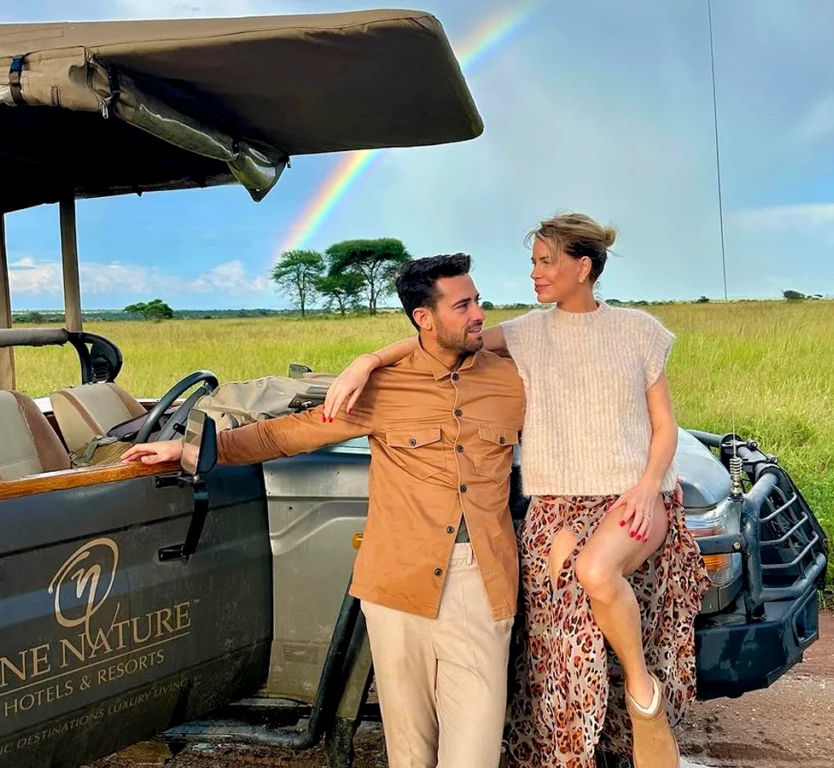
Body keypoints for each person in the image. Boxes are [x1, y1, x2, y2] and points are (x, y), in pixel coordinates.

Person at [324, 213, 712, 768]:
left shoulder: (639, 331)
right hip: (558, 506)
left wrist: (650, 488)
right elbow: (437, 339)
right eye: (533, 260)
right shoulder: (527, 333)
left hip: (633, 496)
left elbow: (665, 426)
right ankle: (571, 754)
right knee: (561, 659)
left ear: (584, 267)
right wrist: (369, 360)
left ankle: (643, 700)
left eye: (546, 261)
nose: (534, 272)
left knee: (597, 574)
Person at [121, 254, 525, 768]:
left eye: (478, 301)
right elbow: (288, 432)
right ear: (424, 317)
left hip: (481, 581)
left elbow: (565, 386)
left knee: (475, 753)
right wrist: (191, 450)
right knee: (409, 748)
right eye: (463, 304)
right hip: (397, 581)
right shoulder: (382, 386)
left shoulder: (512, 381)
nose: (478, 314)